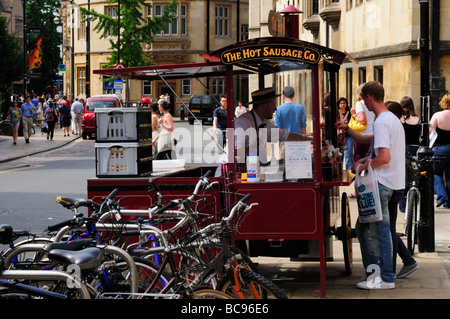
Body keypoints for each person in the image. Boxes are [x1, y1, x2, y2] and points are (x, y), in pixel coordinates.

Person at [339, 81, 405, 289]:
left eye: (362, 99)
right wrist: (366, 159)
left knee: (379, 230)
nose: (362, 104)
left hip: (382, 183)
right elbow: (380, 149)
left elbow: (384, 158)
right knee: (368, 228)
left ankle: (384, 277)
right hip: (392, 182)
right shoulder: (391, 119)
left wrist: (366, 164)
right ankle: (377, 274)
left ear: (368, 97)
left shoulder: (381, 122)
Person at [231, 87, 311, 171]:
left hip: (252, 170)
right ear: (264, 106)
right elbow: (235, 151)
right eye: (273, 105)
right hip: (235, 171)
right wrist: (258, 150)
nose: (276, 109)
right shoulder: (242, 122)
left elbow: (284, 135)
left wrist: (308, 140)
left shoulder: (265, 123)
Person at [430, 92, 450, 208]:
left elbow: (430, 132)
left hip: (440, 149)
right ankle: (448, 203)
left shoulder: (437, 115)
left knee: (435, 173)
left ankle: (442, 196)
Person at [338, 97, 353, 170]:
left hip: (349, 136)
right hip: (340, 137)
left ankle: (349, 172)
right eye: (341, 103)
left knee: (348, 154)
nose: (343, 105)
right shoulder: (337, 113)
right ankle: (339, 171)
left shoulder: (349, 113)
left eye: (344, 103)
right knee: (340, 155)